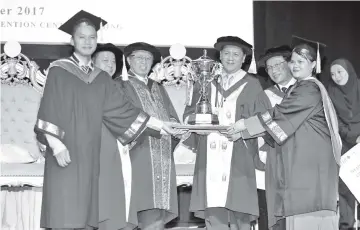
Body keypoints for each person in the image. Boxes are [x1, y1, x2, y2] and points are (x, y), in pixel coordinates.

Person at [34, 11, 180, 230]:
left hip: (94, 154)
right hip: (67, 150)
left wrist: (160, 125)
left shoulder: (101, 78)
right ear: (72, 40)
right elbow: (49, 109)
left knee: (90, 213)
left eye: (92, 37)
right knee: (66, 211)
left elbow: (123, 111)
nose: (87, 42)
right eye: (81, 37)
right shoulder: (59, 70)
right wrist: (56, 145)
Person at [227, 35, 342, 230]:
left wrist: (244, 125)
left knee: (309, 215)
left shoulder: (309, 89)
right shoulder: (301, 88)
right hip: (304, 167)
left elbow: (280, 114)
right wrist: (245, 132)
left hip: (311, 171)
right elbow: (281, 125)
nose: (295, 65)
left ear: (313, 64)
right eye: (293, 61)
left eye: (301, 61)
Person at [182, 36, 263, 230]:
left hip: (239, 154)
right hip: (209, 154)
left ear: (244, 58)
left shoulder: (252, 84)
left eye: (236, 54)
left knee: (239, 210)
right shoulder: (206, 81)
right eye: (226, 53)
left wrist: (243, 132)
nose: (230, 58)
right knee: (213, 209)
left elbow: (263, 120)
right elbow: (189, 114)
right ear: (220, 56)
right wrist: (198, 126)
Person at [115, 42, 180, 230]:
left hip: (162, 154)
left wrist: (177, 128)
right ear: (128, 60)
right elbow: (121, 119)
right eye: (139, 58)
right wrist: (157, 128)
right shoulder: (120, 85)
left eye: (148, 58)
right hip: (137, 153)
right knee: (134, 208)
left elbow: (171, 114)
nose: (144, 62)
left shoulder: (157, 87)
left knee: (156, 211)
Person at [249, 45, 296, 230]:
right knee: (276, 214)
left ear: (290, 64)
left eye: (278, 65)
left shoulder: (308, 90)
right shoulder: (265, 96)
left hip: (304, 164)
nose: (274, 71)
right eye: (269, 68)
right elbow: (262, 130)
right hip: (277, 161)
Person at [92, 43, 137, 230]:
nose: (110, 64)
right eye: (105, 60)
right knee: (102, 194)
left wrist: (133, 135)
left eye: (113, 61)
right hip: (97, 145)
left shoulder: (118, 86)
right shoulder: (84, 84)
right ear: (92, 61)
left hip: (119, 144)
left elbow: (128, 114)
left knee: (120, 191)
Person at [328, 58, 360, 230]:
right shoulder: (331, 92)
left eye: (340, 72)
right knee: (346, 185)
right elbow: (334, 119)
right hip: (346, 143)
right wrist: (350, 136)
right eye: (332, 74)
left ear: (349, 71)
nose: (336, 77)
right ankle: (346, 225)